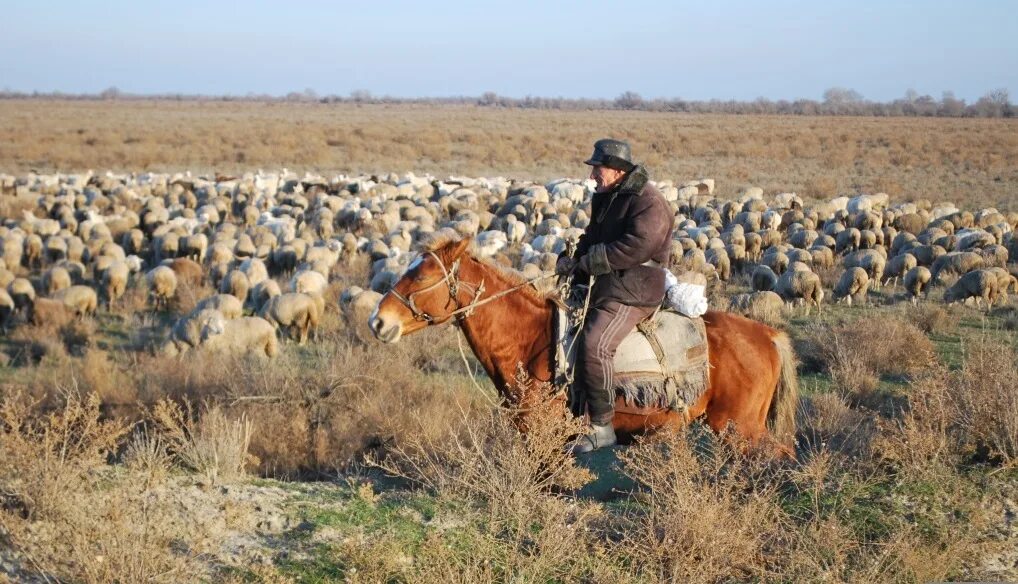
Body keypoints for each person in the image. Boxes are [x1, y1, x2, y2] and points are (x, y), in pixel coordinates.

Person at [556, 139, 675, 454]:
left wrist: (592, 262)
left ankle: (602, 427)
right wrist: (573, 260)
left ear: (617, 170)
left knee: (596, 344)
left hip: (634, 290)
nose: (592, 175)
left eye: (597, 168)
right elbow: (593, 237)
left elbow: (639, 245)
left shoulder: (649, 201)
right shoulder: (608, 197)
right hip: (609, 285)